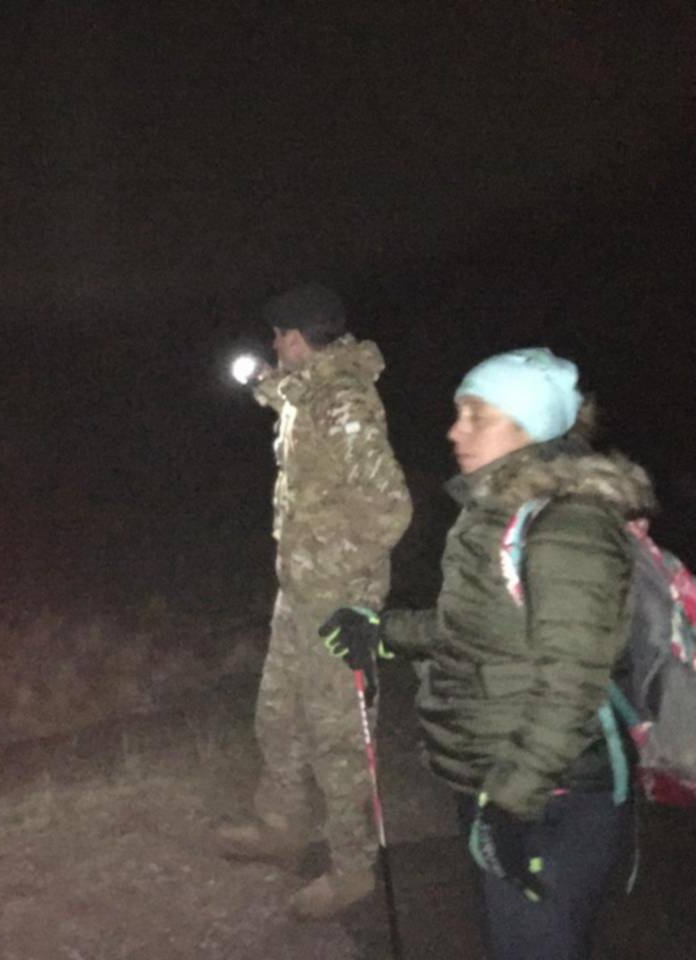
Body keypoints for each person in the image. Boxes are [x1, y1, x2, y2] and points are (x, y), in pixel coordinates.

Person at [325, 348, 654, 959]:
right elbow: (479, 627)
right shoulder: (499, 512)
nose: (456, 431)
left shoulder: (570, 525)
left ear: (530, 426)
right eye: (459, 414)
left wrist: (513, 800)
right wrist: (384, 632)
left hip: (550, 789)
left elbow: (571, 682)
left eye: (477, 415)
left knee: (532, 945)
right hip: (495, 773)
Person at [218, 282, 412, 920]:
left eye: (279, 335)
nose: (273, 344)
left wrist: (340, 579)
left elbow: (390, 510)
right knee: (278, 715)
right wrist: (264, 384)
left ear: (299, 337)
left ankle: (353, 870)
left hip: (338, 602)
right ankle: (281, 828)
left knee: (338, 739)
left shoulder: (345, 401)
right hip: (299, 591)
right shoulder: (312, 391)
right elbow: (294, 396)